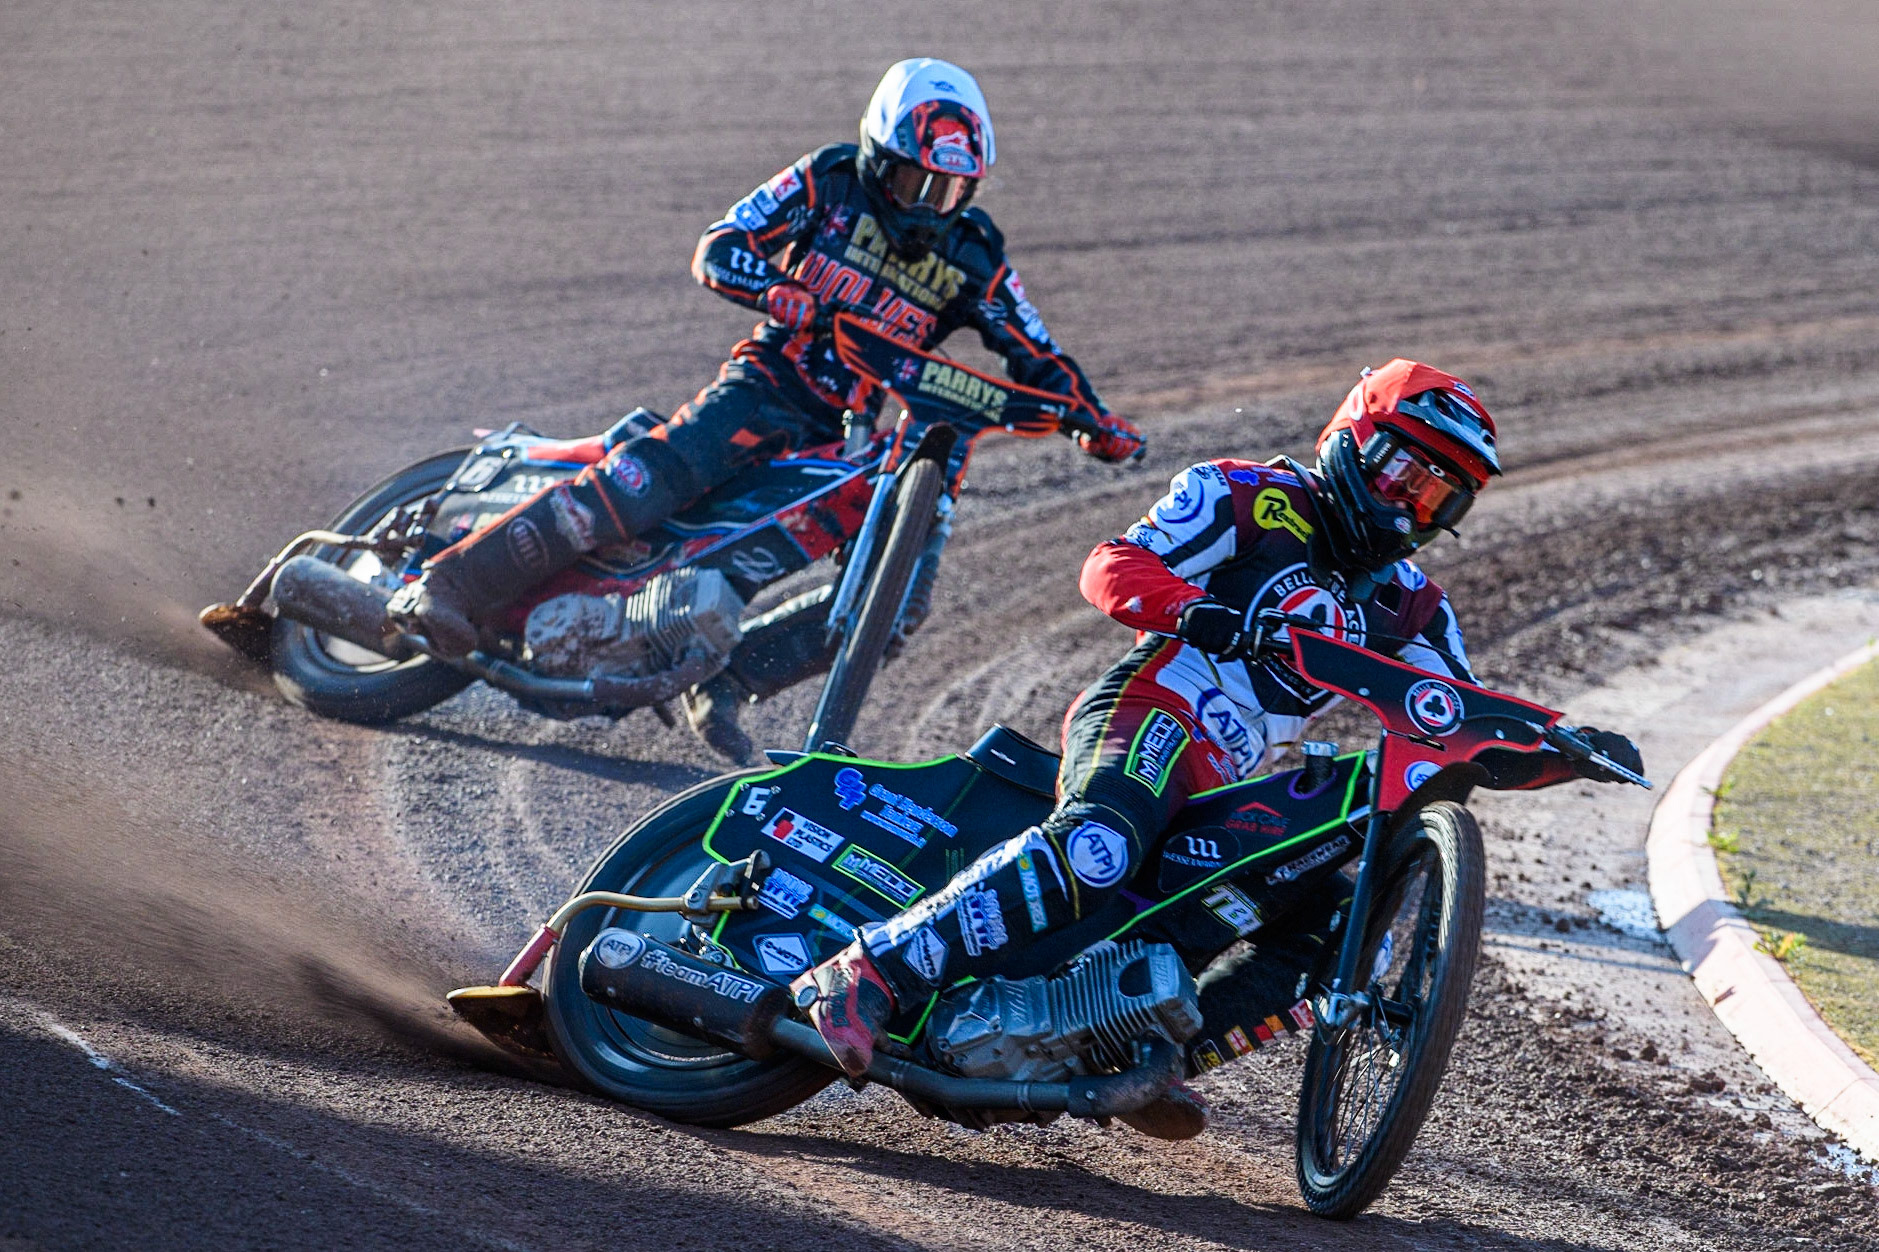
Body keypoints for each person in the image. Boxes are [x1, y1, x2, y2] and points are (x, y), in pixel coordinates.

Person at [790, 358, 1644, 1138]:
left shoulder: (1415, 608)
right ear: (1352, 438)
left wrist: (1562, 744)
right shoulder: (1242, 493)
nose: (1406, 506)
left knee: (1344, 928)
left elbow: (1451, 716)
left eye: (1435, 499)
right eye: (1401, 473)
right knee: (1097, 847)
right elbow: (1111, 564)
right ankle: (868, 972)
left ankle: (1140, 1057)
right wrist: (1195, 610)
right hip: (1150, 709)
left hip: (1226, 781)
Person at [387, 58, 1144, 758]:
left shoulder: (974, 252)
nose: (931, 207)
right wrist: (773, 288)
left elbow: (1035, 351)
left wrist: (1096, 420)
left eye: (949, 191)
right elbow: (722, 245)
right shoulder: (829, 179)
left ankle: (723, 681)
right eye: (917, 185)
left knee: (885, 592)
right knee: (648, 483)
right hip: (765, 382)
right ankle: (448, 583)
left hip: (840, 430)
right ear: (880, 160)